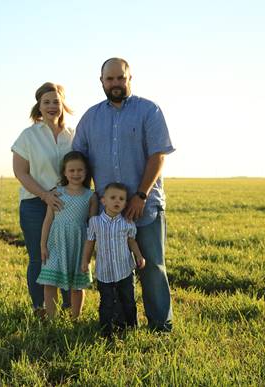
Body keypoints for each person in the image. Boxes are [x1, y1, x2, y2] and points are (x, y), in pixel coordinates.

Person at [73, 57, 175, 332]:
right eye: (110, 79)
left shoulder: (148, 110)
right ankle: (120, 325)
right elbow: (79, 161)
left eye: (121, 78)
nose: (115, 83)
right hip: (108, 215)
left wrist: (140, 195)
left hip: (145, 205)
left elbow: (158, 155)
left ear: (130, 79)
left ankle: (160, 327)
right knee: (113, 270)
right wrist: (91, 205)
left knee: (152, 266)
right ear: (102, 81)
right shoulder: (90, 117)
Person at [11, 82, 74, 319]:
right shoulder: (28, 136)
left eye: (56, 101)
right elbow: (21, 172)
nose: (51, 106)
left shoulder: (73, 135)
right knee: (41, 255)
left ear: (63, 104)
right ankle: (41, 308)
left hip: (68, 203)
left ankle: (69, 308)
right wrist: (45, 195)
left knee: (68, 253)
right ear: (38, 106)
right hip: (35, 204)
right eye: (46, 102)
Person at [37, 151, 98, 319]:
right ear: (64, 172)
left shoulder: (90, 196)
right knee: (49, 283)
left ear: (86, 172)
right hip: (56, 243)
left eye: (80, 170)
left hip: (79, 244)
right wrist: (43, 245)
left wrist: (89, 251)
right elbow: (48, 221)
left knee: (77, 285)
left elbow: (92, 226)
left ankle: (75, 317)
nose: (76, 174)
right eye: (72, 170)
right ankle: (52, 317)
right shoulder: (56, 192)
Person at [81, 182, 146, 338]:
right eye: (113, 198)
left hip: (124, 269)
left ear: (125, 203)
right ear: (104, 201)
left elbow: (131, 241)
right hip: (104, 271)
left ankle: (131, 328)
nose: (117, 201)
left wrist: (139, 255)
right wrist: (85, 261)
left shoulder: (127, 223)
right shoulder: (95, 222)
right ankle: (106, 332)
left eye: (121, 199)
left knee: (128, 300)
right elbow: (90, 242)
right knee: (106, 303)